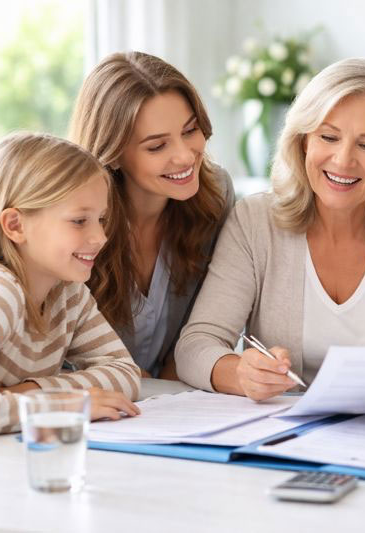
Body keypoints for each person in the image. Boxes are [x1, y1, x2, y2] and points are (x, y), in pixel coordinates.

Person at [175, 58, 365, 425]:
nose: (343, 160)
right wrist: (240, 373)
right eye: (328, 137)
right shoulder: (254, 221)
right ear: (303, 141)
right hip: (278, 439)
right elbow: (194, 347)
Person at [0, 132, 142, 439]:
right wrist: (61, 407)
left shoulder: (68, 292)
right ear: (16, 225)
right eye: (79, 221)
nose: (100, 237)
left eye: (101, 219)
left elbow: (123, 372)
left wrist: (31, 392)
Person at [69, 52, 235, 379]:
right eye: (157, 147)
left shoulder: (216, 193)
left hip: (176, 405)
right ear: (112, 154)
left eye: (190, 130)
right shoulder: (72, 218)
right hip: (90, 401)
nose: (186, 156)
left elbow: (204, 329)